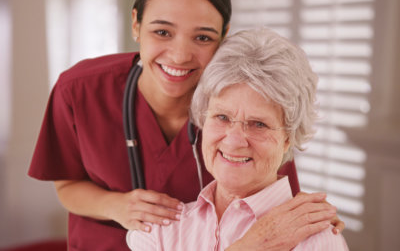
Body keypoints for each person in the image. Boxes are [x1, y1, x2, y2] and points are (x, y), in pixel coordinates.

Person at [28, 0, 343, 250]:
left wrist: (314, 226)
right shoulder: (80, 90)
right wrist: (117, 205)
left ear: (224, 35)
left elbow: (278, 207)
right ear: (136, 23)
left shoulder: (247, 104)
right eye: (162, 31)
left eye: (203, 37)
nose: (179, 55)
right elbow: (67, 184)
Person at [127, 27, 349, 251]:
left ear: (288, 138)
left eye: (258, 124)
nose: (234, 141)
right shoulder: (159, 231)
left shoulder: (318, 241)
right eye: (222, 117)